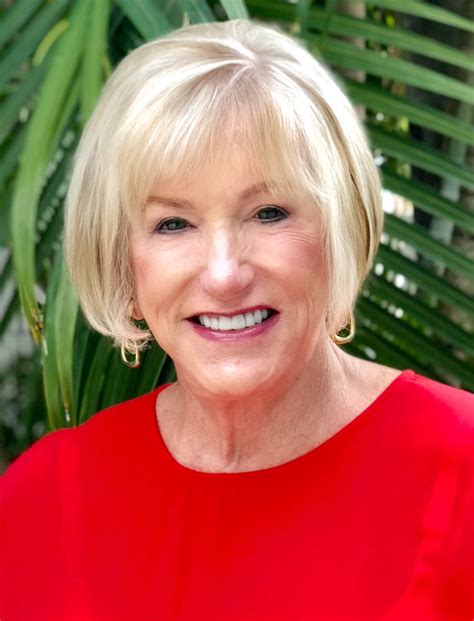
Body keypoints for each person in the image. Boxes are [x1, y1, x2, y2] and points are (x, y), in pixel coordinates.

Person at [1, 19, 473, 621]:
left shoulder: (461, 468)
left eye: (268, 213)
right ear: (123, 262)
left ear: (339, 230)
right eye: (174, 224)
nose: (225, 275)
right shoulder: (42, 502)